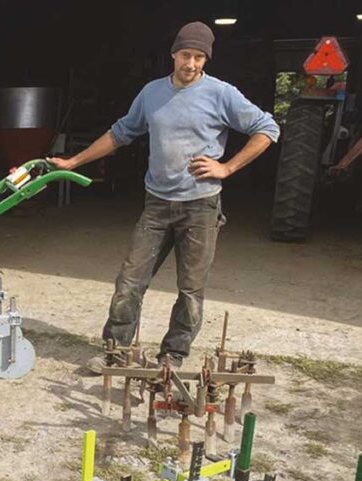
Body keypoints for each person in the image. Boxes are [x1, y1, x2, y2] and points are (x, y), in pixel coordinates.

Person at [47, 21, 280, 372]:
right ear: (173, 54)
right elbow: (121, 133)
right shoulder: (152, 93)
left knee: (190, 290)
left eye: (200, 57)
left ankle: (173, 355)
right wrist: (73, 161)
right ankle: (116, 351)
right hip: (156, 205)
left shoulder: (221, 93)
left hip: (201, 206)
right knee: (129, 282)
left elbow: (268, 129)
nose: (192, 64)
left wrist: (227, 168)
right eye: (186, 55)